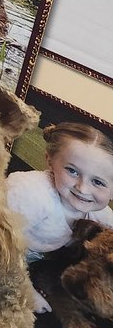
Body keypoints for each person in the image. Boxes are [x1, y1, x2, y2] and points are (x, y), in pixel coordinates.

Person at [7, 121, 113, 313]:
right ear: (50, 160)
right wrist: (24, 289)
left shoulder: (96, 210)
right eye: (72, 171)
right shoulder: (33, 195)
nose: (82, 188)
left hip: (34, 263)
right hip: (0, 259)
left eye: (98, 182)